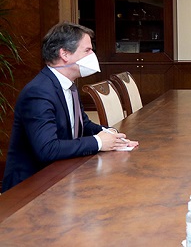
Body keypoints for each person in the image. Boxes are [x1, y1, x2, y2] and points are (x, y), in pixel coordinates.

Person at [2, 22, 138, 192]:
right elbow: (47, 149)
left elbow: (83, 125)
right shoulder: (39, 92)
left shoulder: (68, 84)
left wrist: (112, 136)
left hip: (62, 175)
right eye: (87, 50)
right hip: (32, 188)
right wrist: (98, 142)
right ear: (64, 54)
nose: (93, 55)